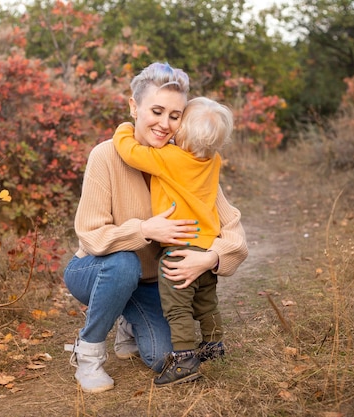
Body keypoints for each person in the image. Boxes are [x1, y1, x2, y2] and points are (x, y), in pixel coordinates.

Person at [62, 62, 248, 393]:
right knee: (124, 263)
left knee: (166, 355)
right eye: (157, 111)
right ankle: (88, 354)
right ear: (134, 107)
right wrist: (146, 230)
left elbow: (232, 228)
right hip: (96, 268)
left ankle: (128, 320)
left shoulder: (189, 162)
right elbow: (90, 236)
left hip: (152, 283)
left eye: (174, 116)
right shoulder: (106, 156)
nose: (164, 124)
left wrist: (210, 258)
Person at [112, 96, 234, 386]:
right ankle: (214, 345)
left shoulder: (169, 158)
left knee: (177, 309)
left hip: (178, 252)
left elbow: (130, 152)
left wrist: (123, 129)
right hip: (206, 247)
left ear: (180, 134)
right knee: (207, 303)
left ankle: (184, 361)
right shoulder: (212, 160)